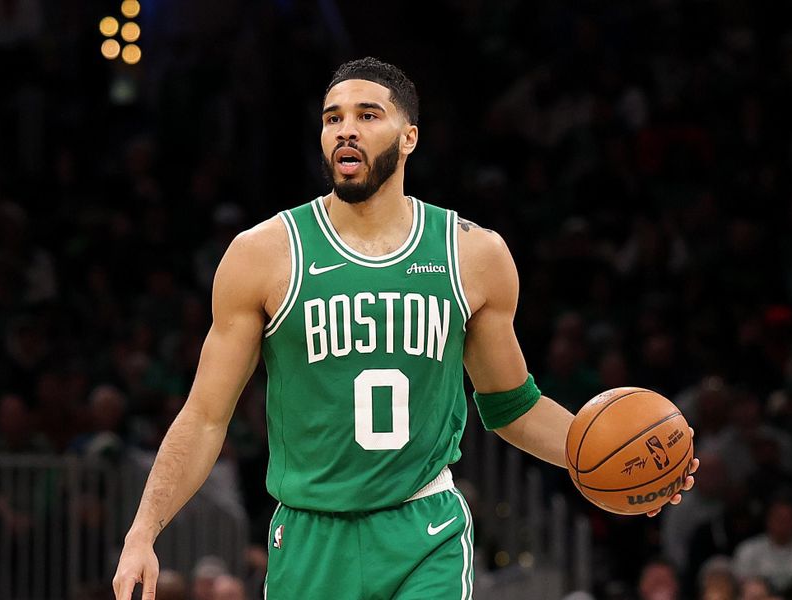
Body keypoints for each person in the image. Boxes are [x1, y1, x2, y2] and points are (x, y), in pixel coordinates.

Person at [112, 56, 698, 600]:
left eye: (368, 115)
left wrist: (616, 458)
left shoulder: (472, 254)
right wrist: (143, 531)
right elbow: (206, 416)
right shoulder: (263, 255)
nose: (346, 129)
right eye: (332, 118)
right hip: (311, 534)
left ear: (409, 136)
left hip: (425, 528)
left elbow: (513, 407)